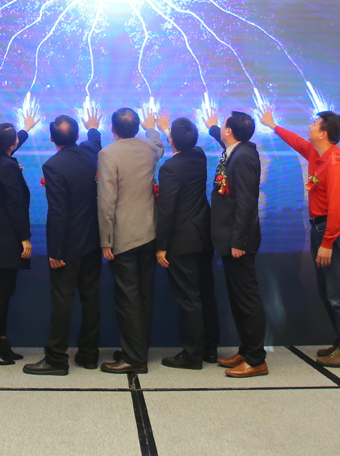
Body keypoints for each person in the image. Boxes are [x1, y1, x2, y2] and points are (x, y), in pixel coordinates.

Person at [264, 109, 340, 368]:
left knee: (339, 292)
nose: (309, 126)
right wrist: (273, 126)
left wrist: (328, 242)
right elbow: (296, 142)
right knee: (328, 291)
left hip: (332, 230)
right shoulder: (316, 153)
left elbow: (337, 210)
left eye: (314, 124)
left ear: (323, 133)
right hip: (321, 229)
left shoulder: (335, 164)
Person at [23, 111, 104, 376]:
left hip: (67, 248)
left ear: (51, 138)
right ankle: (89, 355)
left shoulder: (53, 165)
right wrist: (93, 127)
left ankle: (56, 359)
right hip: (92, 241)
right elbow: (95, 140)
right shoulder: (90, 153)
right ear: (78, 135)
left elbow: (58, 212)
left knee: (62, 302)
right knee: (91, 299)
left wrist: (55, 251)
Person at [97, 107, 164, 374]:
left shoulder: (107, 153)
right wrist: (151, 127)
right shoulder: (150, 148)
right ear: (137, 128)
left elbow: (106, 200)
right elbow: (159, 144)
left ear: (113, 129)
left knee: (128, 299)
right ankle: (137, 350)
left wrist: (106, 239)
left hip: (123, 237)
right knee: (144, 296)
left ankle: (134, 359)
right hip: (150, 232)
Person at [155, 114, 220, 370]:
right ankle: (210, 350)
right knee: (206, 294)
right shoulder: (199, 156)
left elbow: (167, 210)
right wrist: (167, 131)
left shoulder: (169, 168)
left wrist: (161, 246)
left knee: (188, 299)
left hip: (182, 241)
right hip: (204, 236)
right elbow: (184, 146)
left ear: (172, 140)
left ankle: (192, 355)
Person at [206, 110, 268, 378]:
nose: (220, 127)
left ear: (230, 131)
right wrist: (212, 129)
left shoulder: (243, 157)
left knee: (247, 299)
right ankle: (246, 350)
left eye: (222, 125)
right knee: (238, 298)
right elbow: (225, 144)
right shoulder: (236, 151)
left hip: (238, 242)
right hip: (230, 239)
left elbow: (246, 202)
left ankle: (256, 359)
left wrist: (239, 240)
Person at [0, 117, 36, 365]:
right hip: (7, 238)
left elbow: (9, 145)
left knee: (4, 290)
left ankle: (1, 341)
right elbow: (15, 205)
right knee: (1, 292)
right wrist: (25, 238)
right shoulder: (8, 166)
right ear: (11, 145)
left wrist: (25, 130)